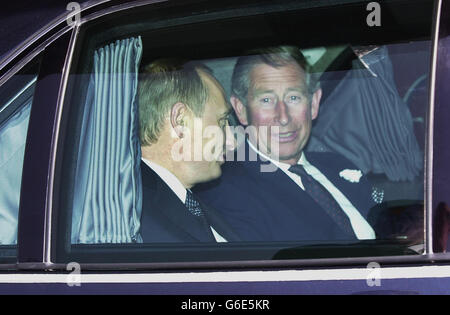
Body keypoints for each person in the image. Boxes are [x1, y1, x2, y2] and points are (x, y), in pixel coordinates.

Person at [195, 46, 376, 242]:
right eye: (266, 100)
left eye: (293, 98)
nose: (283, 117)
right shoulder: (224, 192)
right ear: (241, 110)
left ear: (313, 104)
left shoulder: (339, 164)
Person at [137, 59, 239, 242]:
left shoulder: (192, 205)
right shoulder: (133, 216)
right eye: (222, 122)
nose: (232, 143)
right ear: (181, 120)